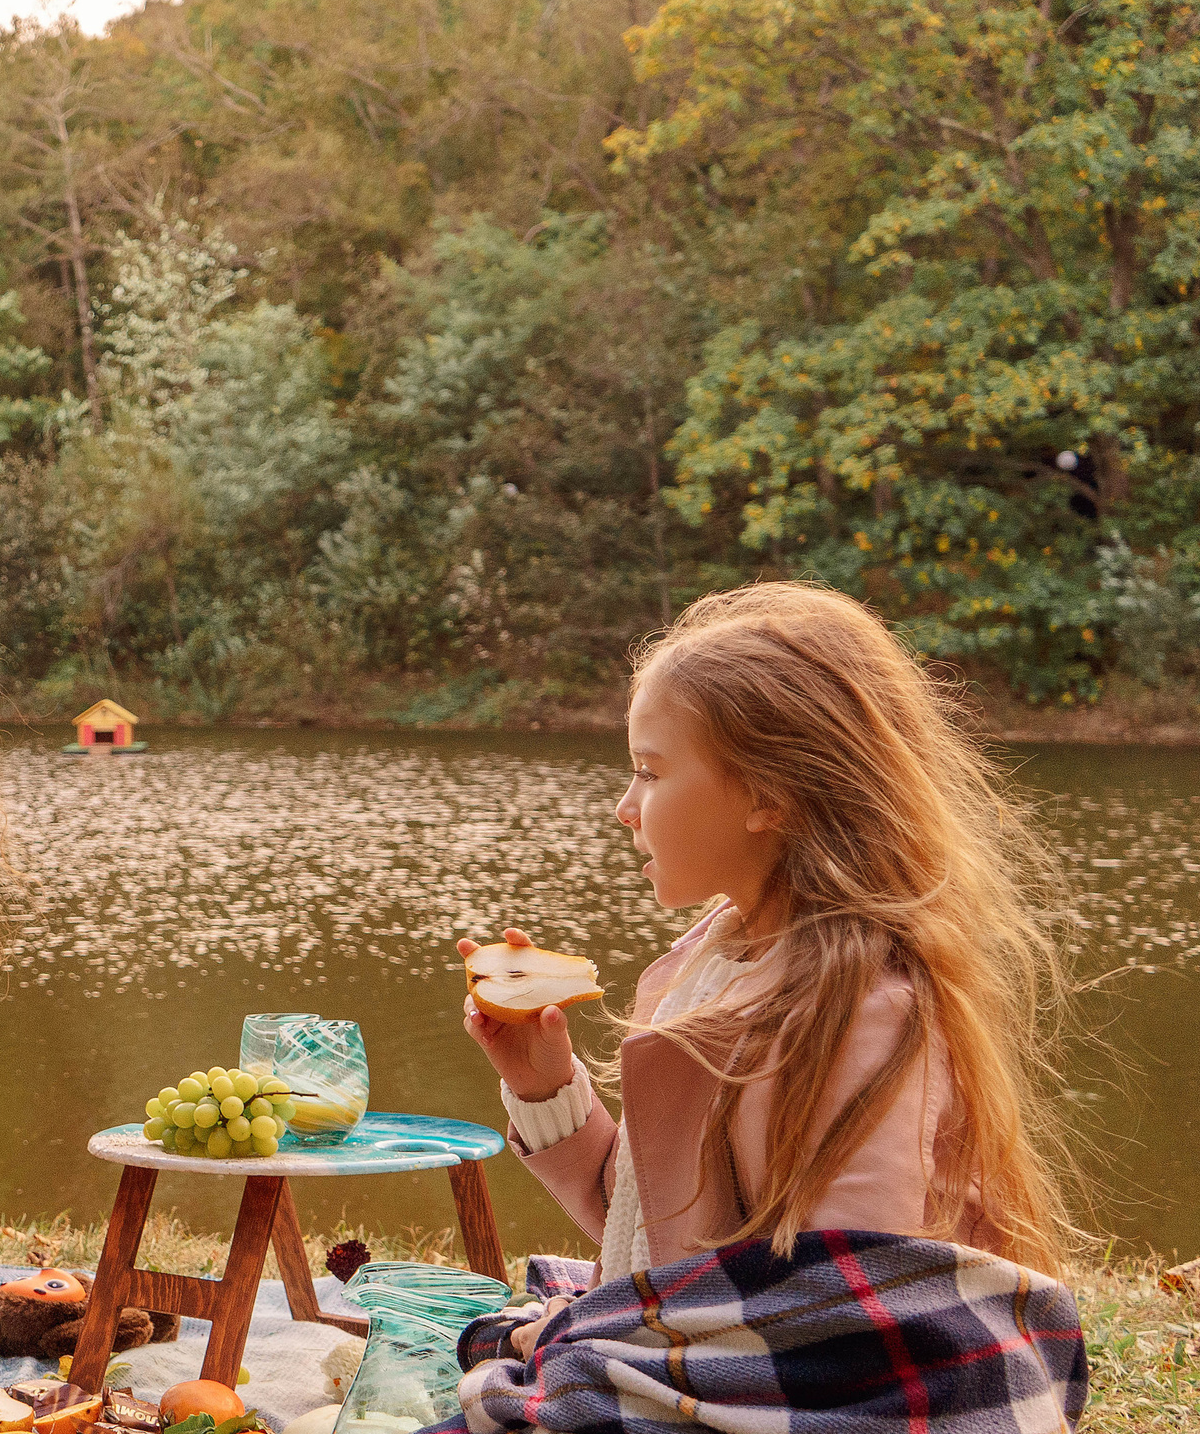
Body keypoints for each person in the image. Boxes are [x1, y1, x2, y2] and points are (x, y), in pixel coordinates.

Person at [460, 579, 1075, 1361]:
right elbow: (661, 1220)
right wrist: (547, 1088)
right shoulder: (716, 959)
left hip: (822, 1420)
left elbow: (841, 1306)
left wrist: (584, 1334)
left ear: (768, 794)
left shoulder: (858, 1010)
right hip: (712, 1372)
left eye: (650, 771)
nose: (625, 805)